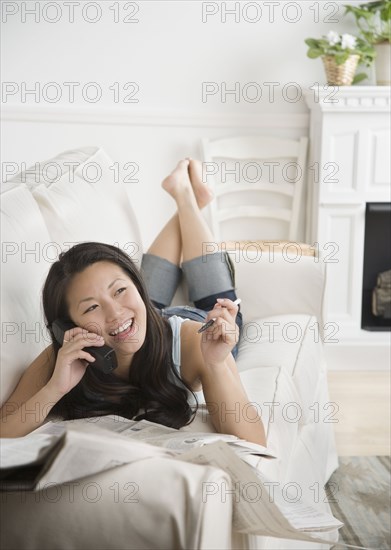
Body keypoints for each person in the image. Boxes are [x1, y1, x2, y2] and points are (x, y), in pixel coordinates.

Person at [0, 159, 266, 446]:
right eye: (91, 307)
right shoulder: (65, 356)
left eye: (120, 290)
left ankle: (189, 200)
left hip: (194, 321)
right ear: (66, 325)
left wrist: (215, 364)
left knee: (215, 300)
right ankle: (188, 199)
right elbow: (4, 431)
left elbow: (253, 442)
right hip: (143, 321)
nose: (113, 312)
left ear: (138, 285)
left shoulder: (196, 342)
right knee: (126, 313)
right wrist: (54, 388)